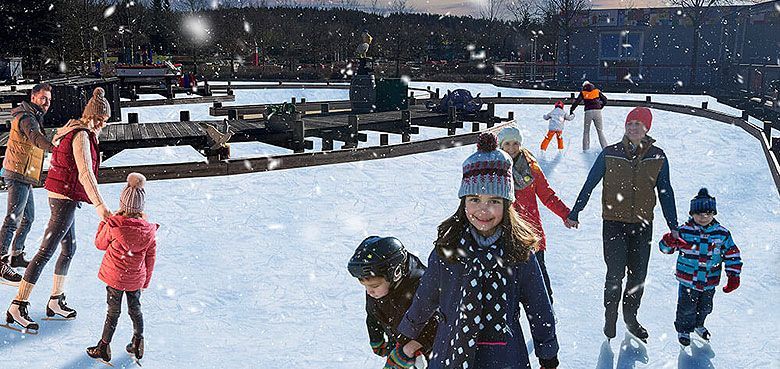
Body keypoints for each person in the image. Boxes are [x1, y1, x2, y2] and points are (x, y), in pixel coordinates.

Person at [398, 132, 559, 369]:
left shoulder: (519, 252)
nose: (483, 210)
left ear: (507, 203)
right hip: (451, 352)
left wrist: (547, 353)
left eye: (494, 201)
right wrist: (409, 330)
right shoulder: (448, 249)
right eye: (474, 199)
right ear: (463, 201)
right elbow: (427, 296)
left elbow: (539, 307)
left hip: (504, 357)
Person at [565, 107, 678, 343]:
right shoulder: (610, 153)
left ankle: (630, 317)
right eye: (630, 123)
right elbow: (590, 183)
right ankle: (610, 315)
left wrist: (673, 225)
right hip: (614, 224)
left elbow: (665, 191)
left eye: (638, 124)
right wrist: (575, 211)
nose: (633, 127)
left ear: (647, 128)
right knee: (615, 274)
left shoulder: (657, 156)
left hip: (643, 225)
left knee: (638, 276)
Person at [5, 87, 113, 332]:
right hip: (63, 196)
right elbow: (85, 174)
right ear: (94, 118)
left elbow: (59, 148)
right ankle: (17, 304)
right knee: (46, 251)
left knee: (69, 248)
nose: (103, 126)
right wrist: (101, 208)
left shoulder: (74, 129)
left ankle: (55, 300)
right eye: (103, 121)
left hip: (64, 194)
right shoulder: (82, 136)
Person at [87, 173, 158, 364]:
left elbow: (99, 244)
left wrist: (104, 221)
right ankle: (138, 341)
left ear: (122, 204)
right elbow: (150, 258)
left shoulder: (114, 226)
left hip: (115, 277)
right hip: (135, 279)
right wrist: (146, 280)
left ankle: (104, 346)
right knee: (135, 310)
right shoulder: (147, 231)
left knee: (113, 312)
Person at [659, 188, 742, 346]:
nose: (703, 217)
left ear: (714, 214)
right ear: (692, 214)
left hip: (709, 281)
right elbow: (665, 249)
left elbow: (732, 255)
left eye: (708, 213)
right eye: (699, 214)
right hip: (688, 280)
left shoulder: (721, 234)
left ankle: (699, 324)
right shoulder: (683, 231)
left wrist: (733, 275)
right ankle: (684, 329)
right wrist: (668, 241)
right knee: (686, 308)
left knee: (705, 307)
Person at [497, 127, 570, 303]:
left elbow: (547, 195)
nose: (512, 148)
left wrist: (566, 214)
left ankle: (548, 320)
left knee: (541, 289)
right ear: (501, 145)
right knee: (508, 291)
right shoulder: (495, 169)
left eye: (515, 144)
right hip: (506, 235)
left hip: (531, 235)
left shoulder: (531, 167)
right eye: (507, 144)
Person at [347, 236, 438, 368]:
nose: (369, 292)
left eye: (374, 286)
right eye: (365, 286)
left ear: (395, 274)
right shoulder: (378, 288)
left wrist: (409, 349)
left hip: (429, 350)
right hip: (397, 340)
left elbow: (438, 324)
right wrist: (376, 339)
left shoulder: (422, 288)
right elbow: (373, 313)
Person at [0, 84, 55, 285]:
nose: (46, 103)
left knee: (28, 218)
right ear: (33, 97)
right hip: (17, 173)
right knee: (13, 219)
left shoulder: (33, 115)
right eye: (43, 98)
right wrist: (54, 148)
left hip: (26, 173)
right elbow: (35, 138)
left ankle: (16, 254)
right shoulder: (26, 117)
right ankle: (0, 260)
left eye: (49, 100)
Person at [569, 81, 608, 151]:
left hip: (588, 112)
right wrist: (600, 106)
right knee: (600, 131)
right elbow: (605, 100)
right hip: (597, 112)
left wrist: (571, 109)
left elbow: (577, 102)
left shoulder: (583, 92)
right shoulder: (597, 91)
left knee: (586, 131)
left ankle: (585, 149)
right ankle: (605, 147)